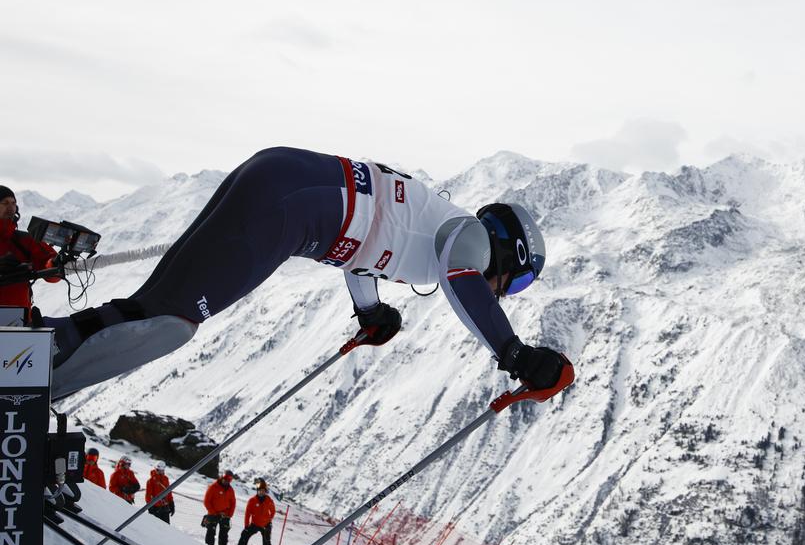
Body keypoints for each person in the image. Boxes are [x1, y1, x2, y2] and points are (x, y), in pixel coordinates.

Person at [44, 147, 573, 400]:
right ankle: (29, 388)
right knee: (170, 324)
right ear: (510, 253)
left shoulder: (435, 222)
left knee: (154, 306)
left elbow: (361, 249)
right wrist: (513, 352)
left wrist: (369, 311)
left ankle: (30, 354)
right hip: (291, 212)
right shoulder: (472, 239)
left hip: (280, 181)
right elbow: (464, 286)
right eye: (518, 281)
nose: (506, 291)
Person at [0, 185, 61, 323]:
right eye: (4, 203)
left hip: (18, 320)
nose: (10, 208)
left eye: (13, 203)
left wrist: (55, 263)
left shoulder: (25, 240)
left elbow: (51, 271)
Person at [235, 478, 276, 545]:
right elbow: (247, 514)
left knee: (267, 543)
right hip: (254, 524)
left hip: (266, 525)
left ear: (265, 491)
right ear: (257, 491)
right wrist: (246, 525)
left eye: (263, 491)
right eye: (260, 491)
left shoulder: (269, 500)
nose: (261, 492)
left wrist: (268, 520)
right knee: (244, 536)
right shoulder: (252, 501)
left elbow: (273, 511)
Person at [203, 469, 237, 545]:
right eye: (225, 479)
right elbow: (206, 501)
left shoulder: (230, 490)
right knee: (211, 532)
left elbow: (233, 503)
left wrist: (229, 514)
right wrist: (213, 512)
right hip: (213, 514)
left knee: (224, 535)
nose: (226, 482)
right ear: (221, 477)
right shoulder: (213, 487)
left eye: (228, 480)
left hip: (225, 515)